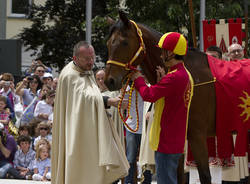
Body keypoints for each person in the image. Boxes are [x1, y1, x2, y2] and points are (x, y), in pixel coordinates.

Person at [52, 41, 129, 184]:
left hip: (88, 128)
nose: (91, 62)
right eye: (87, 59)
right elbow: (84, 97)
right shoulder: (70, 75)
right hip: (76, 132)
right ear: (75, 58)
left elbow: (90, 95)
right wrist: (109, 101)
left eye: (92, 57)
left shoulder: (86, 72)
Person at [131, 32, 194, 184]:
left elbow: (148, 95)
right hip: (174, 140)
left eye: (163, 51)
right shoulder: (184, 74)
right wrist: (161, 82)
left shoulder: (173, 77)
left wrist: (137, 78)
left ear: (171, 52)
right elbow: (169, 98)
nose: (160, 55)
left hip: (166, 141)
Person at [123, 84, 152, 184]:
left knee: (146, 158)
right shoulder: (127, 87)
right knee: (130, 158)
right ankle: (128, 182)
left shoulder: (148, 87)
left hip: (146, 127)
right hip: (131, 127)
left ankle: (146, 182)